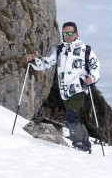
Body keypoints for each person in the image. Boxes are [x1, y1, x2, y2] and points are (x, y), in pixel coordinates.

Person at [27, 22, 101, 153]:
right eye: (64, 33)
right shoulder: (59, 50)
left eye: (70, 33)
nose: (67, 36)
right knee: (74, 117)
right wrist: (34, 61)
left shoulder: (86, 50)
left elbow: (96, 68)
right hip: (64, 91)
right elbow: (45, 63)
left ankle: (78, 144)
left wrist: (92, 78)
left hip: (79, 88)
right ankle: (86, 143)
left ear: (76, 34)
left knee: (71, 115)